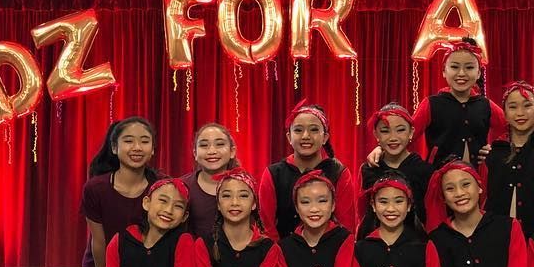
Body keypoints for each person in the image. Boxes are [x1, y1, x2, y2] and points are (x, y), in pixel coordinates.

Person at [81, 117, 162, 267]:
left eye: (144, 141)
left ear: (152, 149)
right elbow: (98, 242)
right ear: (115, 148)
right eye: (128, 141)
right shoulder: (95, 188)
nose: (137, 147)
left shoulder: (161, 187)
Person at [259, 102, 356, 240]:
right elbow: (266, 226)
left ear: (325, 138)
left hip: (330, 253)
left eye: (314, 130)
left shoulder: (339, 172)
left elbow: (346, 227)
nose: (306, 136)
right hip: (282, 254)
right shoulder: (273, 174)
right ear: (289, 137)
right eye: (298, 130)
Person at [483, 81, 534, 238]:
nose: (520, 113)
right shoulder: (493, 152)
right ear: (504, 113)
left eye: (527, 105)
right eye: (512, 107)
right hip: (497, 235)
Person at [358, 103, 432, 230]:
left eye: (400, 130)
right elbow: (363, 212)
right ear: (376, 134)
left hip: (414, 241)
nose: (393, 137)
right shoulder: (369, 169)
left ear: (411, 132)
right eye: (385, 131)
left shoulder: (424, 170)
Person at [179, 123, 238, 238]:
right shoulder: (181, 187)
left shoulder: (244, 186)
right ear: (195, 153)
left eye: (220, 144)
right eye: (204, 145)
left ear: (232, 151)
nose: (212, 151)